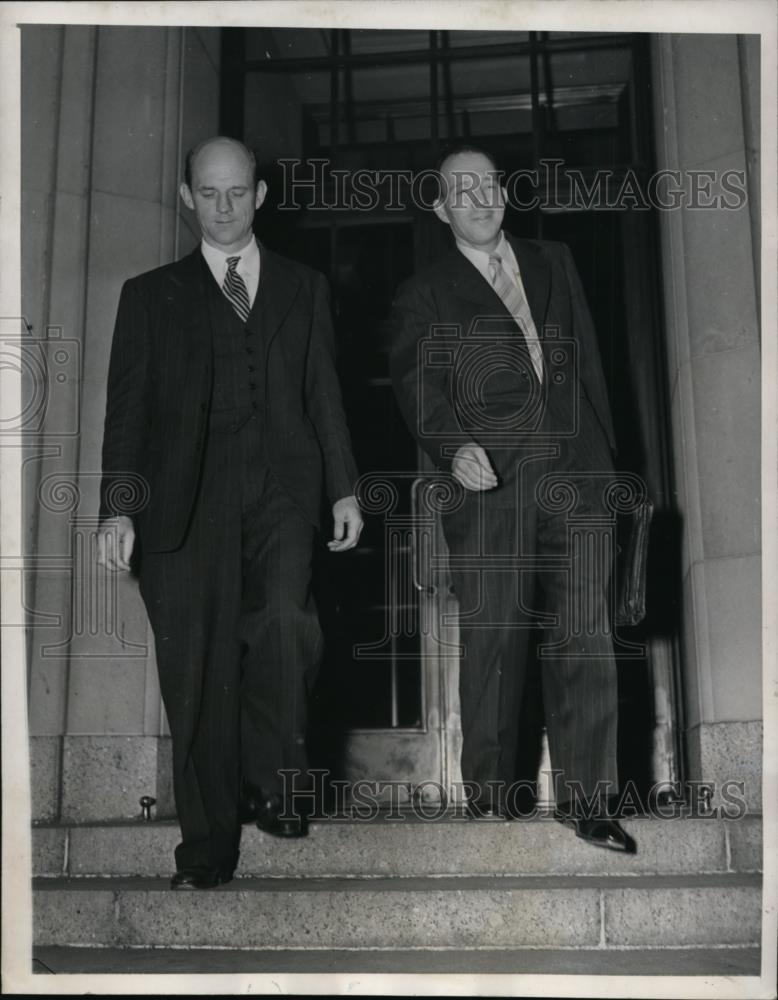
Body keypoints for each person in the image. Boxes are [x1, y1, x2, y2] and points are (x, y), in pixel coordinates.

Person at [97, 136, 363, 889]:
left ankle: (280, 784)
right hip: (183, 501)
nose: (222, 207)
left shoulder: (303, 286)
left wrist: (344, 488)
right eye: (208, 194)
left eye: (237, 193)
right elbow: (127, 416)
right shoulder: (150, 296)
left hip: (282, 487)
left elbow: (324, 397)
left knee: (286, 621)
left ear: (260, 196)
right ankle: (208, 848)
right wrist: (119, 510)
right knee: (197, 671)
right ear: (187, 197)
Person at [388, 144, 634, 852]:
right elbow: (418, 387)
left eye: (488, 184)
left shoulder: (554, 258)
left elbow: (587, 362)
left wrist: (607, 461)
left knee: (585, 637)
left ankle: (591, 803)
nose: (479, 198)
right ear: (440, 208)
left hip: (578, 472)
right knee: (496, 636)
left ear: (505, 191)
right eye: (459, 190)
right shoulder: (423, 292)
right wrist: (451, 448)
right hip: (492, 477)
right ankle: (492, 798)